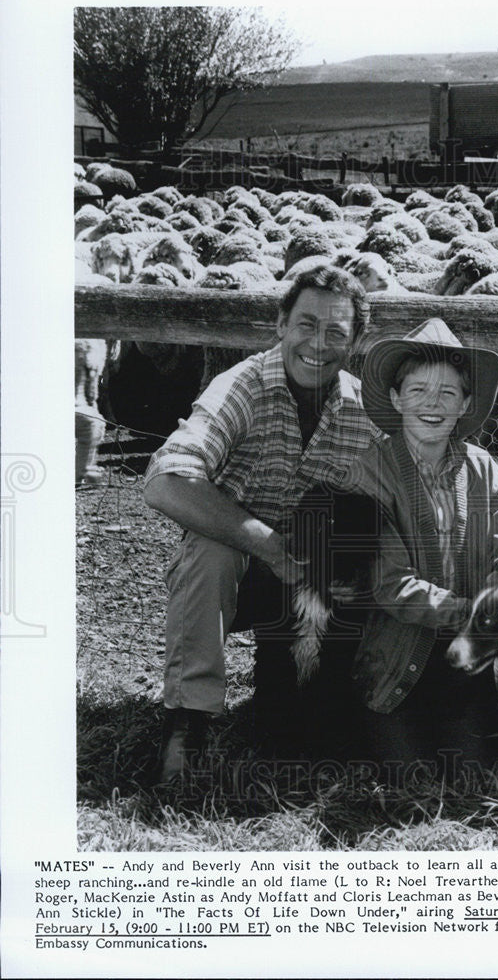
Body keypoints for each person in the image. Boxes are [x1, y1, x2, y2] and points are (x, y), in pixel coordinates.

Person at [142, 264, 379, 783]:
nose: (318, 343)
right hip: (242, 573)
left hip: (314, 583)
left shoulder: (364, 411)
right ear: (280, 325)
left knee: (367, 538)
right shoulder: (241, 387)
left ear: (357, 341)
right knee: (211, 550)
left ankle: (346, 700)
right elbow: (166, 479)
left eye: (336, 331)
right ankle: (189, 720)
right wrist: (271, 548)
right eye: (306, 325)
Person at [342, 318, 498, 781]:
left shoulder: (485, 470)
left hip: (470, 654)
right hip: (396, 656)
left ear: (465, 403)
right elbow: (389, 584)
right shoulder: (367, 475)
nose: (433, 403)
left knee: (473, 772)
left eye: (448, 393)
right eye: (418, 390)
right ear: (395, 398)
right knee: (412, 779)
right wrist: (474, 613)